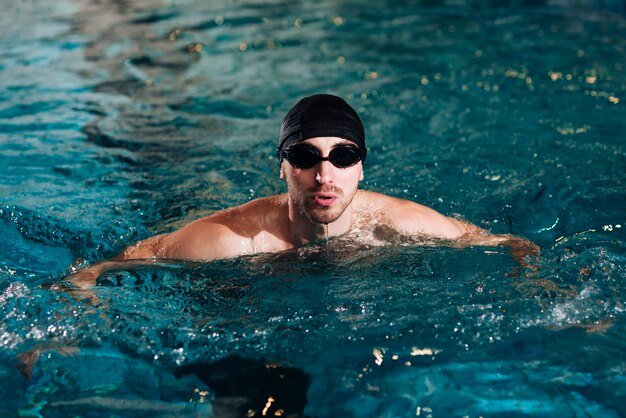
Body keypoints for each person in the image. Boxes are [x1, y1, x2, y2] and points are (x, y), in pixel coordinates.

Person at [68, 94, 538, 288]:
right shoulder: (234, 239)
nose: (325, 174)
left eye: (343, 156)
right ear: (283, 168)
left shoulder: (399, 223)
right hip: (188, 205)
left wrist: (540, 285)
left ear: (361, 169)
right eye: (305, 156)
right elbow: (111, 263)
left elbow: (512, 244)